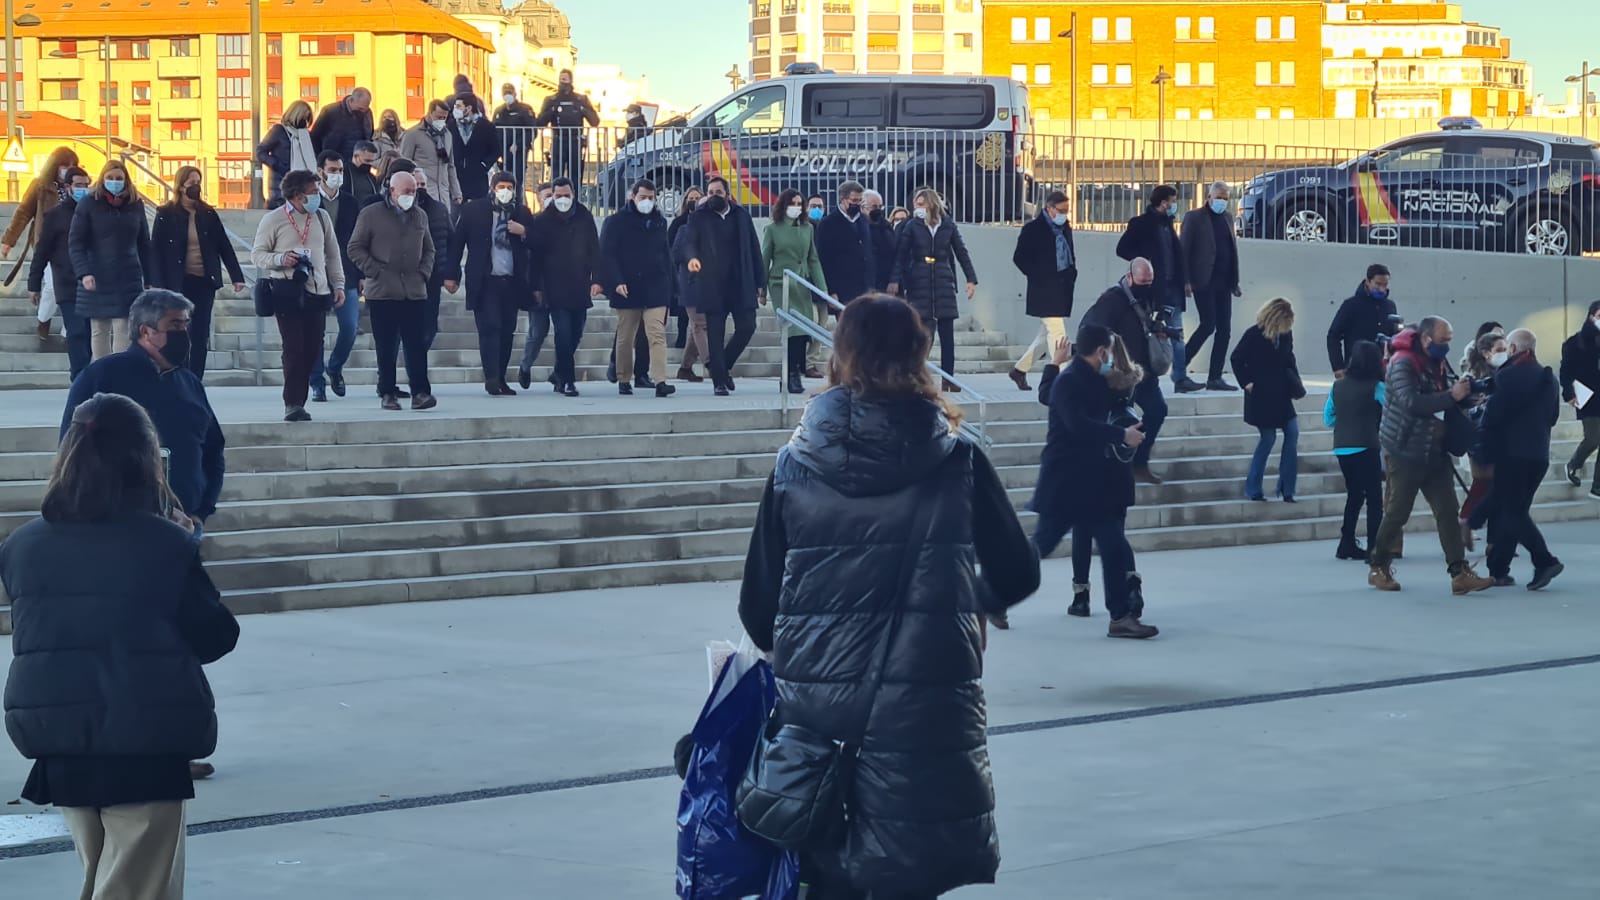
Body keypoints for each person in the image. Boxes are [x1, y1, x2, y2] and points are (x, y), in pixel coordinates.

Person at [738, 294, 1039, 899]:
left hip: (821, 734)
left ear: (840, 353)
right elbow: (1017, 571)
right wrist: (963, 603)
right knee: (911, 872)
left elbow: (758, 610)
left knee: (825, 875)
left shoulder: (792, 467)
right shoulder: (959, 461)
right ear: (921, 353)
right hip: (926, 717)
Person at [3, 393, 239, 900]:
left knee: (104, 878)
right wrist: (186, 550)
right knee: (138, 887)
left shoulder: (23, 545)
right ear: (146, 458)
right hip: (143, 734)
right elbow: (216, 636)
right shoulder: (164, 543)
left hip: (58, 733)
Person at [60, 288, 225, 535]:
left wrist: (201, 511)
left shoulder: (190, 383)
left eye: (185, 325)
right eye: (174, 325)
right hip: (119, 528)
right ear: (145, 331)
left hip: (185, 526)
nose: (184, 333)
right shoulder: (101, 377)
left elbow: (213, 449)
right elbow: (71, 447)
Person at [1031, 322, 1158, 638]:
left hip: (1096, 476)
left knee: (1110, 543)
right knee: (1046, 543)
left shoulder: (1086, 379)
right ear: (1102, 351)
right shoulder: (1081, 381)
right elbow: (1073, 419)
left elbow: (1047, 396)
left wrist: (1053, 364)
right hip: (1075, 477)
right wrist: (1122, 434)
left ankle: (1113, 612)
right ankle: (995, 594)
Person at [1365, 317, 1495, 594]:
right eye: (1443, 340)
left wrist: (1465, 394)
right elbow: (1412, 402)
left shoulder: (1433, 362)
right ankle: (1378, 566)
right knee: (1398, 512)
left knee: (1447, 511)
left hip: (1434, 448)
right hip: (1406, 450)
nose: (1447, 345)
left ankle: (1459, 573)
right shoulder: (1403, 362)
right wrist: (1452, 395)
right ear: (1426, 339)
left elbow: (1443, 394)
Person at [252, 170, 346, 422]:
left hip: (317, 289)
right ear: (296, 195)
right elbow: (258, 254)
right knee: (293, 348)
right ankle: (293, 402)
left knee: (313, 348)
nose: (318, 196)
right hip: (286, 290)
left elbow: (333, 254)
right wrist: (281, 259)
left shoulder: (322, 217)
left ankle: (299, 392)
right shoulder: (273, 220)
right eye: (313, 192)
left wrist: (338, 284)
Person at [1480, 329, 1564, 590]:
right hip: (1538, 454)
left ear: (1514, 349)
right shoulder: (1550, 379)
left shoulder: (1508, 376)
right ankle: (1499, 569)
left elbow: (1493, 417)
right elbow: (1552, 417)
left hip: (1512, 453)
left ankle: (1544, 560)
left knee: (1511, 511)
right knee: (1515, 511)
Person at [348, 171, 436, 411]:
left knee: (416, 345)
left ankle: (421, 392)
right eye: (406, 191)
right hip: (383, 291)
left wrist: (423, 273)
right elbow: (355, 247)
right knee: (386, 346)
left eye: (413, 192)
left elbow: (429, 249)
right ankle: (387, 392)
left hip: (414, 291)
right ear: (392, 191)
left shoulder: (420, 216)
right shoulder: (371, 214)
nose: (410, 196)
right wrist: (374, 270)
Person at [150, 167, 246, 380]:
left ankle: (196, 379)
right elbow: (155, 248)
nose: (195, 186)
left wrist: (237, 276)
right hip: (178, 282)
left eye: (198, 181)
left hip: (204, 281)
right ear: (180, 185)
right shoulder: (166, 213)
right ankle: (179, 376)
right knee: (179, 332)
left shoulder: (208, 214)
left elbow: (224, 245)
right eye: (191, 182)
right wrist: (155, 282)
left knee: (200, 334)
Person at [1078, 259, 1169, 485]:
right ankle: (1112, 466)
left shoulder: (1150, 297)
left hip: (1145, 373)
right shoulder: (1112, 300)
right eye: (1142, 282)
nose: (1146, 286)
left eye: (1150, 281)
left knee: (1157, 410)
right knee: (1111, 421)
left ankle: (1139, 461)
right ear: (1129, 277)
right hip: (1119, 376)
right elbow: (1091, 328)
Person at [447, 171, 537, 396]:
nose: (505, 191)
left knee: (507, 331)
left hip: (512, 280)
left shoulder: (522, 213)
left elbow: (539, 243)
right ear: (492, 187)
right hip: (485, 280)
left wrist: (524, 231)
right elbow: (457, 243)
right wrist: (451, 275)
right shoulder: (473, 210)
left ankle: (502, 377)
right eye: (501, 186)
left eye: (509, 187)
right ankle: (491, 377)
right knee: (490, 328)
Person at [886, 187, 978, 392]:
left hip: (943, 277)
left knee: (947, 334)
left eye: (920, 204)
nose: (917, 208)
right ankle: (917, 375)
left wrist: (971, 279)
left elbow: (961, 252)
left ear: (931, 204)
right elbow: (901, 254)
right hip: (919, 278)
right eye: (915, 205)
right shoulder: (912, 226)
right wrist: (894, 280)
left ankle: (948, 378)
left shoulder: (948, 225)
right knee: (923, 332)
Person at [680, 177, 764, 397]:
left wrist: (760, 281)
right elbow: (690, 243)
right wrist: (692, 259)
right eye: (710, 191)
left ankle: (723, 365)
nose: (714, 195)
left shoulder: (741, 216)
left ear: (728, 194)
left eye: (718, 191)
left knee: (747, 326)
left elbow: (754, 247)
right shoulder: (700, 217)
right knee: (714, 334)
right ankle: (719, 381)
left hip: (740, 283)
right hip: (712, 284)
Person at [598, 178, 677, 398]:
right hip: (627, 286)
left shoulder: (659, 222)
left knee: (656, 334)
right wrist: (616, 281)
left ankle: (661, 380)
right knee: (626, 336)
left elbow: (665, 255)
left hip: (655, 286)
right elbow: (607, 255)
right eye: (643, 197)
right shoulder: (616, 222)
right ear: (632, 197)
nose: (647, 202)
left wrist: (671, 287)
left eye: (651, 198)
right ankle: (624, 378)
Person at [70, 160, 152, 360]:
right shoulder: (89, 204)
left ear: (126, 181)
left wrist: (150, 277)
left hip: (127, 276)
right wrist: (84, 272)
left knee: (124, 328)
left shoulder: (135, 204)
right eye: (110, 178)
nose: (114, 182)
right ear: (102, 178)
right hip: (97, 276)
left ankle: (119, 376)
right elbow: (76, 242)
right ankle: (101, 377)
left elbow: (144, 243)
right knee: (99, 329)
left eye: (119, 179)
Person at [1116, 185, 1194, 393]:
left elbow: (1177, 256)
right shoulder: (1142, 224)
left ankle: (1180, 377)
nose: (1174, 205)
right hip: (1154, 289)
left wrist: (1185, 281)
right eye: (1172, 200)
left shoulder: (1168, 225)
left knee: (1177, 333)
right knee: (1151, 333)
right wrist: (1143, 261)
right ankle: (1147, 375)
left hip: (1173, 288)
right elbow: (1122, 249)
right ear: (1163, 202)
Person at [529, 177, 601, 397]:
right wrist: (536, 286)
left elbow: (595, 249)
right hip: (554, 286)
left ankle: (559, 371)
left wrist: (597, 279)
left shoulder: (584, 216)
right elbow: (536, 256)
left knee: (576, 332)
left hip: (579, 285)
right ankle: (567, 381)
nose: (562, 199)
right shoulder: (542, 220)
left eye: (566, 195)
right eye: (558, 195)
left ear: (573, 194)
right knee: (563, 333)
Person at [2, 146, 80, 342]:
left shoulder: (80, 188)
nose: (68, 169)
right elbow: (23, 213)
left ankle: (68, 331)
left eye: (72, 166)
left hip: (76, 246)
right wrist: (9, 241)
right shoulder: (40, 186)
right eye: (64, 166)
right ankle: (43, 320)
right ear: (55, 166)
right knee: (52, 287)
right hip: (48, 246)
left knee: (76, 291)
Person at [1231, 298, 1304, 502]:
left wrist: (1296, 384)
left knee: (1292, 433)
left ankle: (1287, 489)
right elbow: (1236, 358)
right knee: (1268, 438)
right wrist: (1247, 382)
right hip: (1261, 395)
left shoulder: (1286, 335)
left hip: (1281, 394)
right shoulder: (1254, 334)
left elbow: (1290, 359)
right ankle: (1253, 488)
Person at [26, 165, 93, 379]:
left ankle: (86, 374)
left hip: (92, 283)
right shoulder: (55, 216)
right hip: (65, 283)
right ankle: (79, 377)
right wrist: (33, 284)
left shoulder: (94, 212)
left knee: (90, 334)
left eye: (86, 185)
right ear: (68, 187)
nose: (83, 189)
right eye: (78, 185)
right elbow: (42, 251)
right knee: (76, 332)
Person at [306, 152, 362, 403]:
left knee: (349, 328)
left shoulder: (351, 203)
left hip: (346, 273)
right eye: (332, 169)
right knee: (314, 332)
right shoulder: (309, 202)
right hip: (314, 275)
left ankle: (335, 366)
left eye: (340, 170)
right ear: (320, 172)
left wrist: (361, 274)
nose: (337, 174)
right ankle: (317, 382)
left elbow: (360, 240)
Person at [1007, 190, 1077, 391]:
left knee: (1044, 335)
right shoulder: (1033, 229)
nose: (1065, 214)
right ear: (1050, 208)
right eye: (1062, 210)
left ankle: (1019, 370)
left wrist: (1072, 273)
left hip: (1062, 286)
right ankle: (1064, 378)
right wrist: (1038, 275)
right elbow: (1019, 258)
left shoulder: (1065, 228)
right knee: (1058, 333)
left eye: (1067, 210)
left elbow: (1070, 254)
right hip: (1043, 288)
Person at [1324, 340, 1387, 561]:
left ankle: (1346, 542)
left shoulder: (1338, 385)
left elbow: (1328, 417)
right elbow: (1392, 410)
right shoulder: (1377, 386)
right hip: (1366, 445)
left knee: (1354, 495)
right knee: (1374, 498)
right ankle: (1374, 548)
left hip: (1342, 447)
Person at [762, 188, 828, 395]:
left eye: (800, 204)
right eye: (793, 204)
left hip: (802, 283)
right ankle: (790, 374)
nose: (797, 208)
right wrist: (761, 288)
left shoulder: (808, 229)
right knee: (792, 329)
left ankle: (794, 372)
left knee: (804, 330)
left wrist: (822, 288)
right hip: (781, 282)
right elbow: (765, 258)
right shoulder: (773, 229)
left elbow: (813, 259)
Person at [1181, 181, 1243, 392]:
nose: (1222, 202)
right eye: (1218, 197)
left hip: (1224, 283)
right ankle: (1181, 366)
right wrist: (1186, 281)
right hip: (1203, 281)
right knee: (1208, 324)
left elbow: (1231, 250)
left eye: (1225, 198)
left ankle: (1215, 377)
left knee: (1224, 330)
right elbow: (1184, 251)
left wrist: (1235, 282)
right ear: (1208, 197)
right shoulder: (1194, 218)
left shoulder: (1227, 218)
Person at [1456, 330, 1506, 551]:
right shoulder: (1475, 378)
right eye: (1500, 350)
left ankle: (1493, 538)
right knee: (1487, 484)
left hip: (1492, 437)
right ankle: (1468, 522)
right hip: (1482, 438)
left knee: (1491, 486)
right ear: (1486, 353)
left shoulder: (1501, 373)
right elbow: (1466, 406)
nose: (1504, 354)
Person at [516, 182, 560, 389]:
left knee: (567, 332)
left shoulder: (568, 222)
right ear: (540, 200)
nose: (551, 199)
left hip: (563, 287)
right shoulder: (533, 223)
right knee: (538, 332)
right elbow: (531, 259)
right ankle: (525, 366)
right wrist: (534, 288)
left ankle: (560, 372)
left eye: (554, 194)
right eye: (547, 196)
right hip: (541, 286)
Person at [411, 166, 457, 353]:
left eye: (423, 184)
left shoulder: (439, 209)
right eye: (416, 184)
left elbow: (452, 240)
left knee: (430, 324)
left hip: (433, 275)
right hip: (406, 277)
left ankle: (418, 356)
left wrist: (452, 273)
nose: (420, 188)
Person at [1560, 300, 1600, 499]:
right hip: (1589, 396)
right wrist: (1568, 392)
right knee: (1593, 437)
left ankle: (1598, 486)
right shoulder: (1576, 342)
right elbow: (1565, 370)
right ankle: (1573, 465)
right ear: (1591, 316)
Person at [1328, 264, 1398, 375]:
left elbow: (1394, 336)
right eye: (1378, 284)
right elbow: (1333, 336)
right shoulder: (1351, 305)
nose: (1381, 289)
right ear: (1368, 282)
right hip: (1356, 368)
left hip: (1383, 369)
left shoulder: (1390, 306)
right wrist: (1338, 367)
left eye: (1385, 285)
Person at [669, 185, 708, 382]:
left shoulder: (714, 230)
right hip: (690, 282)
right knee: (700, 324)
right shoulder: (683, 228)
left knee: (697, 326)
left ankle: (685, 367)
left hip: (709, 284)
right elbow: (675, 255)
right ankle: (711, 362)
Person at [536, 69, 600, 187]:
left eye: (565, 78)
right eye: (561, 79)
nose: (562, 81)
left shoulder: (581, 99)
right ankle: (556, 199)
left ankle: (575, 200)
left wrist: (582, 109)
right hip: (558, 140)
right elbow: (540, 123)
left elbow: (595, 121)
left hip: (575, 141)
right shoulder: (551, 100)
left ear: (571, 80)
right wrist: (552, 110)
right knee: (556, 174)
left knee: (575, 175)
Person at [398, 100, 464, 215]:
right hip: (423, 194)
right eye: (439, 117)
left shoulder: (447, 135)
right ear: (429, 113)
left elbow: (450, 166)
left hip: (443, 194)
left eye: (444, 118)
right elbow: (404, 165)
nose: (441, 121)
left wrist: (456, 192)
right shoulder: (412, 135)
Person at [256, 100, 318, 207]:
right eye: (303, 117)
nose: (304, 121)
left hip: (301, 188)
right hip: (280, 187)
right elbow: (260, 151)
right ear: (295, 114)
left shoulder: (307, 136)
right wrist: (277, 165)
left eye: (307, 118)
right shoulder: (279, 131)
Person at [450, 93, 498, 203]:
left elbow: (495, 149)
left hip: (478, 179)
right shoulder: (451, 126)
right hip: (457, 177)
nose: (455, 110)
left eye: (458, 106)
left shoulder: (486, 126)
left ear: (469, 108)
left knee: (477, 210)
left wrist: (484, 165)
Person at [310, 86, 374, 167]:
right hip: (335, 162)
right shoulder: (330, 111)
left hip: (359, 162)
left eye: (366, 109)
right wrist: (321, 159)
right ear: (352, 100)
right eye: (360, 109)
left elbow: (370, 135)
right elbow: (315, 136)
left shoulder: (367, 113)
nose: (363, 112)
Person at [493, 83, 539, 192]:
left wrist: (519, 144)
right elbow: (493, 130)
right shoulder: (499, 111)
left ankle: (517, 201)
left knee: (517, 179)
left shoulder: (524, 109)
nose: (507, 95)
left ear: (515, 94)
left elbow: (532, 131)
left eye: (509, 93)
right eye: (505, 93)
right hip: (503, 151)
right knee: (504, 178)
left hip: (519, 150)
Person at [862, 188, 896, 291]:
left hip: (886, 281)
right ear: (863, 207)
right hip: (866, 283)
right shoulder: (858, 227)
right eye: (874, 206)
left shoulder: (886, 227)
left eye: (880, 207)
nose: (878, 210)